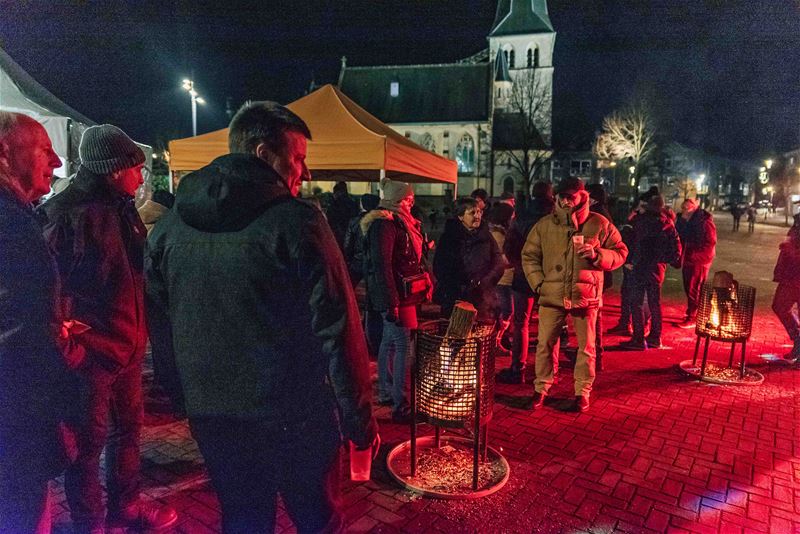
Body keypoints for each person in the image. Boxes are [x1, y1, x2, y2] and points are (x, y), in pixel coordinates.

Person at [145, 102, 378, 533]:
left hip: (216, 419)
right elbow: (339, 326)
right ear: (261, 153)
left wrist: (185, 399)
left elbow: (161, 328)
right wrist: (358, 419)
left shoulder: (169, 229)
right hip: (294, 415)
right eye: (298, 158)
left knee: (244, 520)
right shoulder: (297, 222)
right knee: (317, 520)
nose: (304, 173)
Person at [39, 124, 177, 534]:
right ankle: (91, 524)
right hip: (92, 358)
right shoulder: (66, 216)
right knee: (88, 446)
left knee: (128, 436)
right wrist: (77, 351)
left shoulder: (122, 209)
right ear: (115, 169)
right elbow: (51, 293)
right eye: (136, 168)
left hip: (128, 351)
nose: (141, 177)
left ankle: (126, 510)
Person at [0, 112, 75, 534]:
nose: (57, 163)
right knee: (22, 511)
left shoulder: (17, 214)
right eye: (45, 150)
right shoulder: (8, 221)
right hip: (15, 409)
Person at [521, 178, 627, 412]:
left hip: (585, 296)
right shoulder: (545, 224)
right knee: (545, 345)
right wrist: (539, 284)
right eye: (562, 196)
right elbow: (529, 256)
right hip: (551, 295)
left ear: (583, 196)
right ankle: (541, 388)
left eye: (571, 196)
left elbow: (621, 252)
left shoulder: (599, 223)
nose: (566, 200)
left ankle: (582, 392)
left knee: (586, 347)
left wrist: (597, 254)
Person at [362, 178, 431, 423]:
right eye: (407, 199)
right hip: (396, 296)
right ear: (395, 200)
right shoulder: (385, 225)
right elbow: (382, 266)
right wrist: (391, 301)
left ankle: (386, 392)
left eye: (411, 199)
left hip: (402, 294)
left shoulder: (401, 223)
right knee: (403, 345)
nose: (411, 203)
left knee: (390, 343)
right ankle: (402, 406)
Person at [497, 181, 554, 384]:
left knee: (521, 322)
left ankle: (517, 368)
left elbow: (510, 246)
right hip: (551, 277)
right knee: (550, 324)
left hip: (525, 276)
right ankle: (548, 371)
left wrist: (519, 264)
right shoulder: (557, 217)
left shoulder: (522, 217)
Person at [620, 195, 682, 350]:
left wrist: (630, 261)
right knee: (655, 303)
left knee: (637, 303)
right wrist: (661, 259)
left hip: (639, 267)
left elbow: (630, 241)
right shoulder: (668, 224)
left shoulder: (640, 222)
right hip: (656, 269)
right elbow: (676, 250)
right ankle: (655, 337)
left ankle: (638, 339)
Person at [433, 197, 505, 319]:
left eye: (479, 212)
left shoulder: (486, 236)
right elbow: (440, 266)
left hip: (482, 297)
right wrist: (455, 285)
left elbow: (498, 262)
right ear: (460, 217)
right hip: (455, 298)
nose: (477, 216)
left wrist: (484, 282)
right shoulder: (449, 238)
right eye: (472, 213)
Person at [675, 197, 717, 328]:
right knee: (689, 286)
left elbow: (710, 242)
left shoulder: (703, 222)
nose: (683, 211)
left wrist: (696, 255)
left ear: (692, 209)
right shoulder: (688, 221)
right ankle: (693, 312)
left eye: (685, 209)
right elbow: (680, 234)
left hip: (699, 260)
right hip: (689, 258)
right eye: (682, 208)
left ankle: (693, 316)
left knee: (694, 288)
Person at [487, 202, 516, 358]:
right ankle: (494, 343)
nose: (513, 218)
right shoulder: (498, 235)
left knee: (505, 312)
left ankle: (496, 342)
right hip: (502, 280)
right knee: (504, 312)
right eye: (512, 216)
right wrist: (515, 259)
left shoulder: (501, 233)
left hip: (505, 279)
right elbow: (501, 259)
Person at [772, 213, 800, 363]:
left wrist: (789, 249)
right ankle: (798, 339)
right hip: (790, 277)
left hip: (796, 278)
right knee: (779, 306)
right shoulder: (797, 222)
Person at [343, 193, 380, 286]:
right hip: (373, 262)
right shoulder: (380, 221)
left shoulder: (354, 221)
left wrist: (347, 258)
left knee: (350, 287)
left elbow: (347, 244)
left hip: (357, 260)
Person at [326, 180, 360, 251]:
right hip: (352, 236)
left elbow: (329, 221)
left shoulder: (334, 205)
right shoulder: (353, 203)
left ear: (337, 192)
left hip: (337, 236)